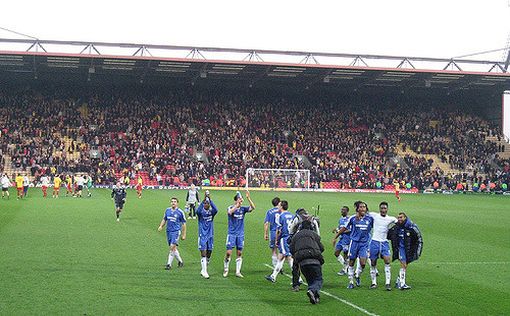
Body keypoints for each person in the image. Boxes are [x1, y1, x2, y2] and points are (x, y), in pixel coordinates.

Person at [333, 200, 373, 289]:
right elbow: (344, 228)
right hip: (354, 243)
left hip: (364, 244)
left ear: (366, 209)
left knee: (363, 263)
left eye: (364, 207)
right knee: (351, 262)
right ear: (357, 209)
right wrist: (336, 237)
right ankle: (351, 282)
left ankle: (357, 275)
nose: (362, 208)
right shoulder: (352, 218)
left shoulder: (370, 218)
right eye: (361, 207)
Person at [290, 219, 325, 305]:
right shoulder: (314, 234)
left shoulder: (295, 236)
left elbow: (291, 249)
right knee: (318, 279)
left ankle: (315, 297)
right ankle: (312, 291)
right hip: (314, 259)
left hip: (302, 262)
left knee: (310, 279)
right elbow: (322, 248)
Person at [223, 190, 255, 278]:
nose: (241, 201)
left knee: (239, 253)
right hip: (232, 234)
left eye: (242, 200)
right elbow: (230, 212)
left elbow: (253, 208)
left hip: (240, 234)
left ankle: (238, 271)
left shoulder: (243, 209)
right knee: (229, 253)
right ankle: (226, 269)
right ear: (236, 200)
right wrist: (237, 205)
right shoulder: (230, 207)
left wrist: (248, 198)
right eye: (240, 199)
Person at [387, 212, 423, 290]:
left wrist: (418, 249)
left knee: (405, 265)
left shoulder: (412, 227)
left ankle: (398, 281)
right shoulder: (396, 227)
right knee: (403, 264)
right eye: (398, 217)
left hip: (408, 249)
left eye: (401, 217)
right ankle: (402, 284)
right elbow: (388, 234)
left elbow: (419, 238)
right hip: (400, 249)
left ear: (405, 218)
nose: (399, 219)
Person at [288, 208, 320, 291]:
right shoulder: (314, 220)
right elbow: (318, 234)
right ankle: (314, 282)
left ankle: (296, 285)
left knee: (296, 265)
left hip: (298, 242)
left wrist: (291, 239)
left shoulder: (297, 218)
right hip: (313, 242)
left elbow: (291, 230)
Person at [368, 201, 397, 290]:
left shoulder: (391, 219)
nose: (383, 210)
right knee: (373, 263)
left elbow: (400, 222)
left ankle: (387, 283)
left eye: (385, 208)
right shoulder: (374, 215)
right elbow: (364, 213)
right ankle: (373, 283)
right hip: (374, 242)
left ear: (387, 209)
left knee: (387, 261)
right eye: (382, 208)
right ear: (379, 209)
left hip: (384, 243)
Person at [265, 200, 295, 282]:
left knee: (289, 258)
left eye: (279, 205)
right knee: (281, 257)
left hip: (284, 239)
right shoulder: (292, 215)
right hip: (291, 238)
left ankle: (297, 278)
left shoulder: (280, 216)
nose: (277, 207)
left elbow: (279, 230)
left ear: (281, 207)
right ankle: (273, 276)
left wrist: (277, 240)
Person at [158, 197, 187, 270]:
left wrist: (184, 234)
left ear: (177, 203)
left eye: (175, 201)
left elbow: (184, 224)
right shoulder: (167, 210)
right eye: (172, 201)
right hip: (168, 231)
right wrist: (161, 226)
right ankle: (180, 261)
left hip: (176, 231)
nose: (173, 203)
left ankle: (169, 264)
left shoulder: (180, 212)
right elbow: (164, 219)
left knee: (172, 247)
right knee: (174, 248)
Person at [196, 190, 218, 278]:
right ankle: (204, 271)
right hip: (202, 235)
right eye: (205, 203)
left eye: (207, 203)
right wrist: (204, 199)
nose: (206, 204)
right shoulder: (200, 213)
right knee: (203, 253)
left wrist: (210, 199)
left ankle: (205, 264)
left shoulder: (211, 213)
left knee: (209, 252)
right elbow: (198, 210)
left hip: (210, 235)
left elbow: (216, 209)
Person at [331, 206, 350, 276]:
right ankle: (346, 267)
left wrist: (340, 231)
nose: (342, 211)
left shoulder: (349, 219)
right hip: (341, 239)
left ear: (347, 211)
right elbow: (340, 228)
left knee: (345, 254)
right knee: (336, 253)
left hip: (347, 240)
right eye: (341, 210)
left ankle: (345, 269)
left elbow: (350, 230)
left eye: (344, 210)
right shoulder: (341, 219)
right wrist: (336, 230)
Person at [263, 197, 281, 267]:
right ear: (279, 203)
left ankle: (275, 266)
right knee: (281, 250)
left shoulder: (269, 212)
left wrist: (265, 234)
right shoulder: (281, 210)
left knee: (274, 250)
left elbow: (266, 223)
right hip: (281, 232)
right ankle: (280, 266)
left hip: (273, 232)